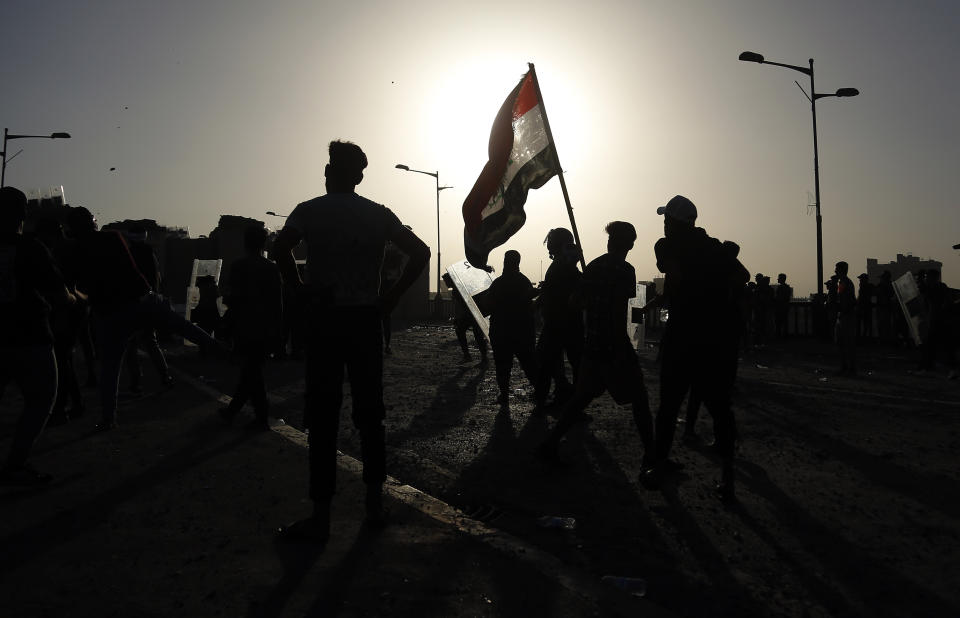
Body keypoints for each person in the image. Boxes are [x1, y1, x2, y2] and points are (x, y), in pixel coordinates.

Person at [272, 140, 429, 544]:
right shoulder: (379, 214)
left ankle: (321, 517)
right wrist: (390, 296)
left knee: (323, 417)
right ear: (358, 176)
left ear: (329, 172)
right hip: (364, 320)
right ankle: (374, 506)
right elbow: (421, 251)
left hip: (324, 319)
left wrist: (300, 288)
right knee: (370, 414)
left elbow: (280, 248)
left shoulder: (309, 210)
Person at [65, 206, 221, 430]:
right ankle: (221, 350)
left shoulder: (75, 250)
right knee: (182, 327)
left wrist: (88, 299)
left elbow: (74, 286)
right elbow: (132, 272)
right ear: (92, 223)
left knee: (111, 369)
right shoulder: (112, 239)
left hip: (109, 313)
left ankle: (109, 418)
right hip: (139, 301)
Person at [537, 222, 656, 486]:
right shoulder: (625, 270)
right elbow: (617, 311)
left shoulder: (592, 268)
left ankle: (550, 443)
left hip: (592, 343)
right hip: (613, 345)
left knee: (581, 398)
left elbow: (574, 302)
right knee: (639, 399)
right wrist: (618, 346)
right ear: (630, 244)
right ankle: (652, 456)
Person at [651, 196, 749, 501]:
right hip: (715, 338)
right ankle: (727, 477)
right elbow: (742, 276)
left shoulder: (667, 246)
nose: (664, 224)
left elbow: (672, 271)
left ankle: (657, 466)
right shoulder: (715, 248)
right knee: (720, 408)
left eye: (667, 220)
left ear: (675, 222)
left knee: (669, 406)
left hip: (684, 335)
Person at [0, 187, 76, 484]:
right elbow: (59, 295)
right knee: (42, 399)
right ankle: (16, 465)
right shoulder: (31, 248)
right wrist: (73, 298)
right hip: (30, 337)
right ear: (24, 214)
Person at [219, 225, 283, 431]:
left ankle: (248, 415)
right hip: (265, 328)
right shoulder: (271, 268)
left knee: (251, 372)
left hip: (244, 327)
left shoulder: (239, 266)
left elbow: (231, 297)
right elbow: (277, 303)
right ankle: (246, 414)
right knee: (252, 372)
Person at [34, 218, 85, 424]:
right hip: (71, 305)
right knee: (65, 359)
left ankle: (62, 406)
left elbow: (64, 286)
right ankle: (74, 403)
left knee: (62, 359)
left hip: (68, 306)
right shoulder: (67, 248)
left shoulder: (57, 251)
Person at [533, 227, 583, 409]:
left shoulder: (563, 264)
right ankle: (563, 396)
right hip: (564, 321)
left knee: (548, 363)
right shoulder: (565, 263)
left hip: (560, 322)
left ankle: (561, 399)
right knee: (553, 362)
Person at [123, 226, 174, 392]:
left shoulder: (129, 254)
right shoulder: (150, 254)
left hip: (133, 302)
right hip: (150, 303)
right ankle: (165, 375)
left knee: (131, 344)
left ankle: (136, 381)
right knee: (151, 342)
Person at [487, 250, 540, 407]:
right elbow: (530, 307)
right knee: (529, 364)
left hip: (502, 332)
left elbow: (489, 304)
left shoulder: (498, 283)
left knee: (503, 366)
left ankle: (504, 395)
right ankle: (540, 393)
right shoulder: (524, 282)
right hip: (522, 332)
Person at [443, 272, 488, 364]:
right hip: (471, 314)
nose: (446, 283)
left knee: (476, 335)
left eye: (446, 281)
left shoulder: (459, 289)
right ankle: (472, 356)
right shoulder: (457, 290)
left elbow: (466, 305)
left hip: (474, 313)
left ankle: (479, 357)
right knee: (466, 332)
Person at [835, 261, 857, 376]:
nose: (835, 271)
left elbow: (848, 301)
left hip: (846, 316)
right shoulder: (843, 283)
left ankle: (849, 366)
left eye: (837, 269)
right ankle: (846, 366)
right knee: (842, 342)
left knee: (846, 343)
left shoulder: (845, 283)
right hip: (844, 315)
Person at [774, 273, 792, 339]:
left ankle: (779, 337)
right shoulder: (787, 288)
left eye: (779, 278)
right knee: (784, 323)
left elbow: (779, 298)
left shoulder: (781, 288)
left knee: (778, 323)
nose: (778, 279)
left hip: (780, 308)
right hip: (785, 307)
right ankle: (784, 336)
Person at [856, 273, 874, 341]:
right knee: (864, 324)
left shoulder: (865, 287)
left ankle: (863, 338)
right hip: (863, 308)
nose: (860, 280)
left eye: (861, 279)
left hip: (864, 308)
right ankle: (864, 338)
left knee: (864, 325)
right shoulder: (865, 287)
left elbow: (863, 298)